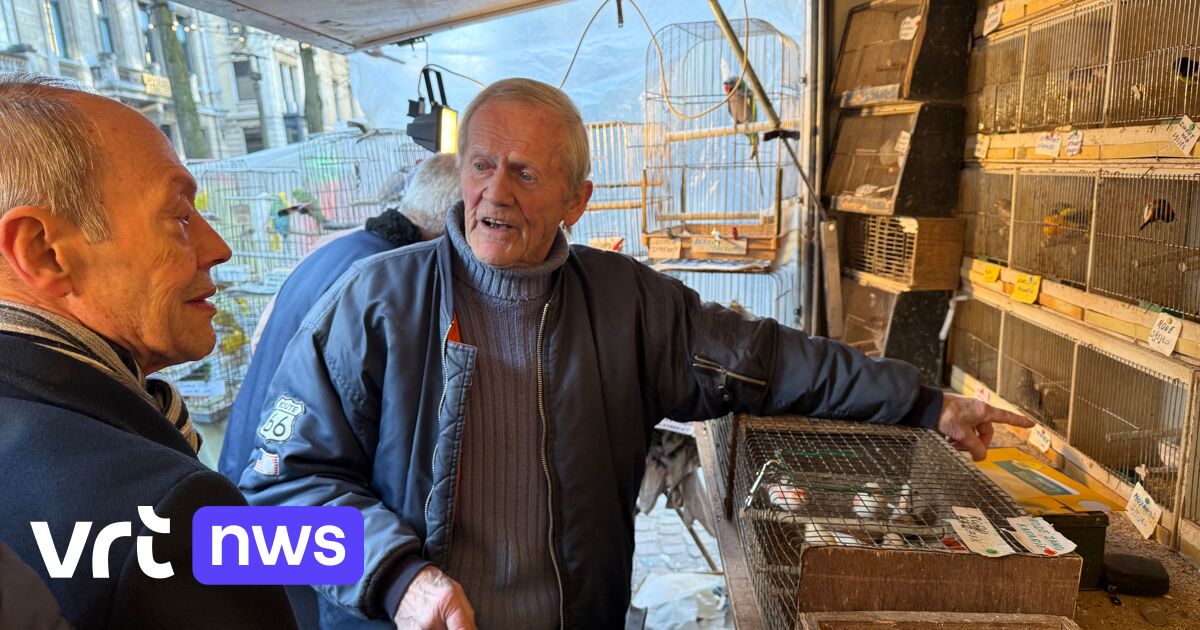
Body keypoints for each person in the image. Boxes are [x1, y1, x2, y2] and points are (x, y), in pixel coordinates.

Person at [238, 78, 1032, 629]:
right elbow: (273, 499)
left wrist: (926, 402)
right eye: (482, 165)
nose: (495, 192)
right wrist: (398, 577)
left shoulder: (625, 304)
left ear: (576, 199)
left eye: (525, 171)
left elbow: (767, 358)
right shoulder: (376, 301)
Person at [0, 75, 297, 629]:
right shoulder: (166, 506)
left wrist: (368, 553)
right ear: (44, 252)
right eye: (180, 217)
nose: (218, 248)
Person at [218, 152, 460, 629]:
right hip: (285, 502)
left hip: (249, 471)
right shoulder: (390, 283)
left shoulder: (343, 250)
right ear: (452, 224)